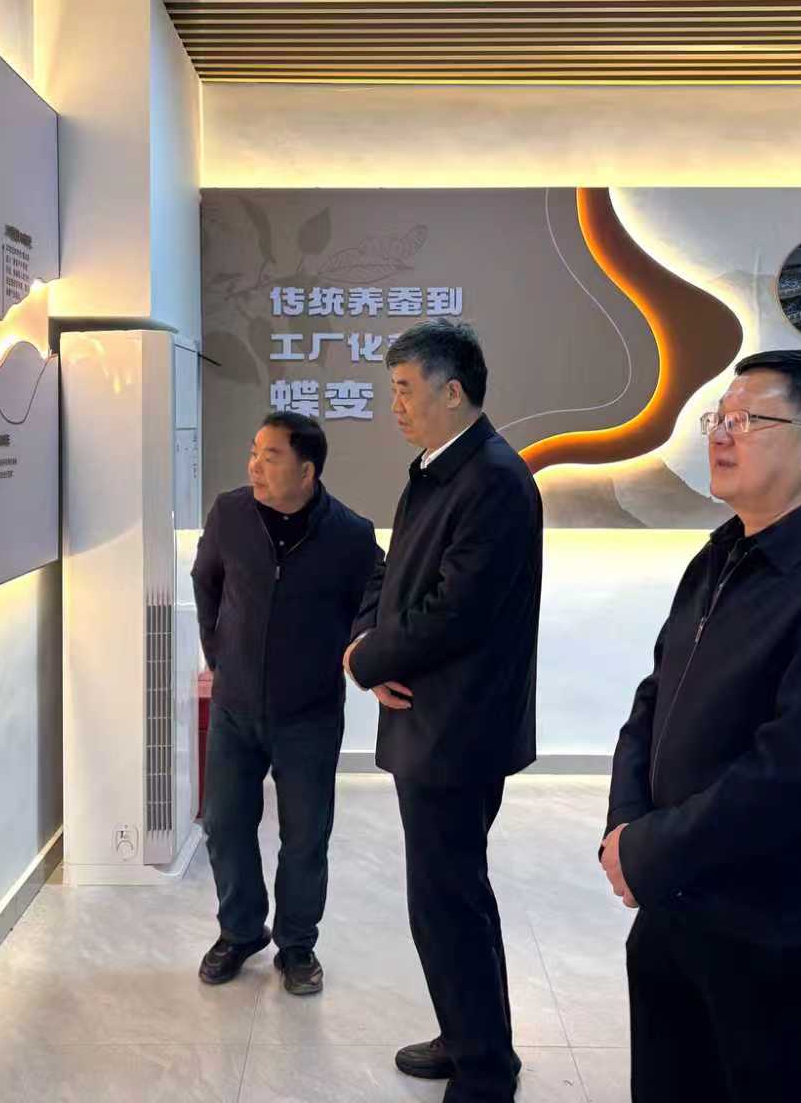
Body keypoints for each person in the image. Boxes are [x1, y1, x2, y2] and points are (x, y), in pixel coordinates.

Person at [601, 349, 801, 1103]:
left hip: (777, 935)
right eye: (718, 418)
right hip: (675, 911)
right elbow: (655, 698)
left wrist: (650, 848)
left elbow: (797, 775)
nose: (720, 434)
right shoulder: (722, 552)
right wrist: (627, 828)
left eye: (746, 420)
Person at [341, 320, 542, 1102]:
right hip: (427, 715)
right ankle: (466, 1035)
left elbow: (455, 612)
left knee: (450, 898)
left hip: (457, 728)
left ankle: (485, 1069)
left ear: (451, 391)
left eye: (404, 389)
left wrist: (369, 661)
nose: (393, 404)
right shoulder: (438, 470)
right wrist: (365, 642)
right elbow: (394, 576)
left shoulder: (492, 480)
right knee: (443, 896)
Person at [190, 411, 382, 995]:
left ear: (307, 470)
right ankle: (241, 930)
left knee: (304, 835)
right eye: (254, 452)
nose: (254, 465)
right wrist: (220, 655)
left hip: (309, 712)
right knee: (224, 824)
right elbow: (206, 581)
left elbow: (375, 598)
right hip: (235, 706)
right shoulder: (229, 513)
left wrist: (362, 650)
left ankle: (297, 944)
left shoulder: (350, 534)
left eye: (270, 456)